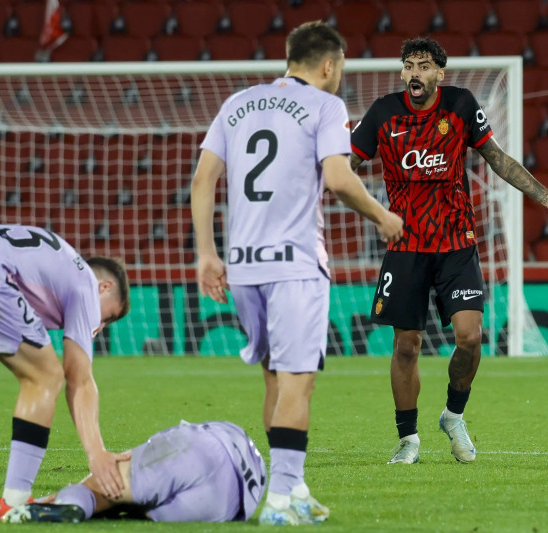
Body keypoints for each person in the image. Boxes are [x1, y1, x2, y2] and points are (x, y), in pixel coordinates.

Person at [191, 21, 403, 525]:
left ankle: (290, 488)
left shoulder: (237, 103)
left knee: (273, 380)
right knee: (297, 383)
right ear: (329, 65)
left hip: (242, 266)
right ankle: (282, 502)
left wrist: (206, 254)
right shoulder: (326, 106)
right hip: (295, 266)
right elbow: (337, 177)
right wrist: (382, 216)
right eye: (340, 69)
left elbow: (203, 180)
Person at [350, 37, 548, 465]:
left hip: (455, 242)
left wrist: (547, 198)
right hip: (405, 246)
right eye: (409, 66)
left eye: (424, 66)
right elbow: (345, 165)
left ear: (440, 73)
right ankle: (408, 439)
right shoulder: (383, 113)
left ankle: (453, 416)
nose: (415, 74)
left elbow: (496, 158)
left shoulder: (460, 105)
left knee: (470, 337)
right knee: (406, 345)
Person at [0, 224, 131, 520]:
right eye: (108, 316)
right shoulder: (85, 280)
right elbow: (79, 379)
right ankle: (16, 499)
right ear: (104, 288)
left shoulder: (54, 261)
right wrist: (96, 453)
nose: (102, 327)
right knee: (46, 377)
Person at [0, 420, 266, 524]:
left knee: (103, 488)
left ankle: (49, 506)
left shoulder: (198, 440)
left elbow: (110, 484)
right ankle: (48, 509)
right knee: (129, 506)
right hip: (227, 505)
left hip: (204, 447)